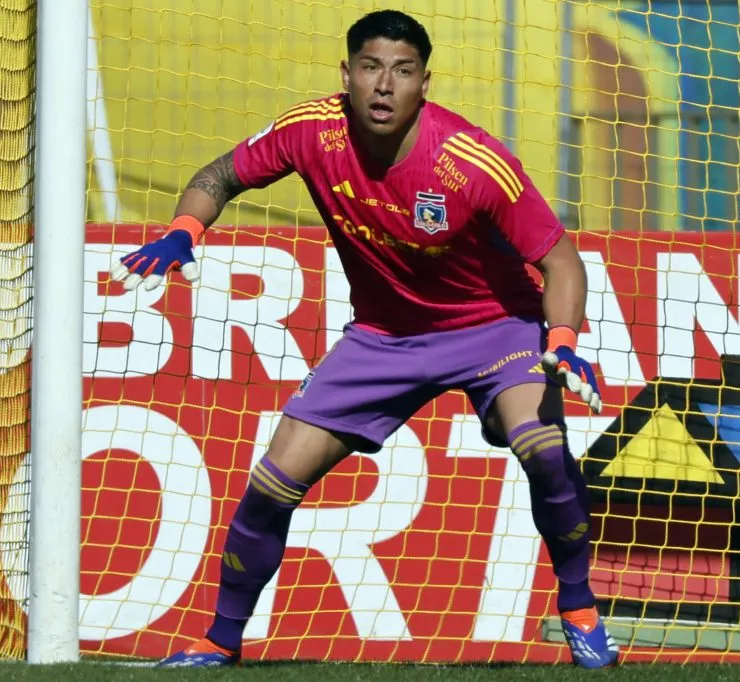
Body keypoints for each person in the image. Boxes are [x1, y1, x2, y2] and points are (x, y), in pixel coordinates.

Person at [112, 9, 618, 670]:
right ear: (346, 74)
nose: (385, 86)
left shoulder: (472, 160)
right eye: (372, 68)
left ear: (424, 83)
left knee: (542, 447)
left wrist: (562, 338)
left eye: (402, 72)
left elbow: (561, 262)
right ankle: (220, 641)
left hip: (495, 329)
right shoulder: (310, 132)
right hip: (383, 339)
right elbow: (219, 176)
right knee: (271, 483)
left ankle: (579, 610)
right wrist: (186, 229)